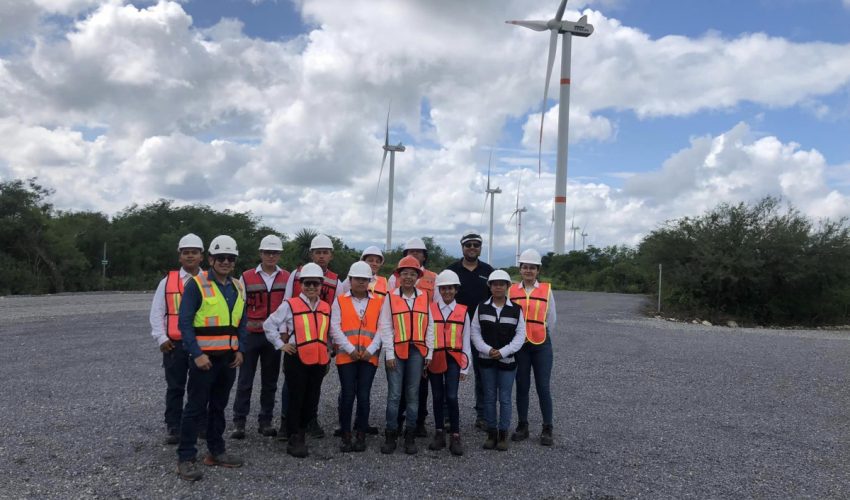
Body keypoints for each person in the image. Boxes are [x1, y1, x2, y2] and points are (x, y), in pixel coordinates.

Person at [175, 235, 247, 481]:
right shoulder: (196, 284)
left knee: (218, 407)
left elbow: (241, 321)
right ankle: (185, 457)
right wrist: (196, 354)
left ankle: (216, 452)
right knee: (194, 408)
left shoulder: (238, 286)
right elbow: (184, 322)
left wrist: (241, 349)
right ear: (211, 259)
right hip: (204, 360)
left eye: (230, 258)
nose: (226, 262)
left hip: (228, 359)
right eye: (221, 258)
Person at [263, 263, 332, 458]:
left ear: (321, 285)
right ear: (301, 284)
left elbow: (328, 333)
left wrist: (329, 351)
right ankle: (294, 437)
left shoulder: (326, 307)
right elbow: (269, 324)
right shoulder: (290, 305)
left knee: (312, 398)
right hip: (297, 358)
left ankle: (302, 431)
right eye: (307, 283)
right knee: (296, 398)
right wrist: (280, 345)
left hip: (318, 360)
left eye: (315, 284)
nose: (311, 287)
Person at [148, 233, 206, 445]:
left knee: (200, 386)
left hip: (201, 343)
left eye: (194, 252)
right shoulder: (167, 281)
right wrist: (160, 337)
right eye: (186, 253)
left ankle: (200, 423)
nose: (190, 256)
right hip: (175, 344)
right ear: (180, 256)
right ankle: (174, 426)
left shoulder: (209, 280)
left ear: (202, 256)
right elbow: (157, 311)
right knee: (175, 387)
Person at [230, 235, 289, 440]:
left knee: (270, 381)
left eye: (274, 253)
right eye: (267, 252)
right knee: (245, 380)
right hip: (251, 336)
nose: (271, 256)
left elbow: (288, 307)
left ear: (280, 254)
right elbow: (240, 307)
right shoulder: (245, 277)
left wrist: (284, 333)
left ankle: (265, 421)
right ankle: (239, 422)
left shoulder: (287, 277)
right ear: (260, 253)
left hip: (273, 338)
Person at [283, 233, 339, 439]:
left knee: (314, 385)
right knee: (292, 385)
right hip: (297, 342)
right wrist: (284, 340)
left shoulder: (336, 280)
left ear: (331, 255)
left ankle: (310, 421)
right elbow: (286, 304)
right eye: (318, 252)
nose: (321, 256)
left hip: (320, 343)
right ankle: (286, 423)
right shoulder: (295, 275)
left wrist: (332, 345)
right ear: (311, 254)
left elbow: (335, 314)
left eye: (325, 252)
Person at [379, 255, 434, 455]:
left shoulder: (424, 297)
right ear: (399, 276)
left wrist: (429, 351)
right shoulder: (390, 297)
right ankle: (391, 433)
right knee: (394, 395)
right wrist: (389, 354)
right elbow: (385, 326)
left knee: (413, 395)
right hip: (397, 351)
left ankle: (409, 435)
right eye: (405, 274)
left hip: (417, 351)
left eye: (412, 274)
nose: (409, 277)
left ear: (418, 276)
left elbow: (430, 326)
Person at [330, 261, 385, 452]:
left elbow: (382, 327)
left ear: (369, 281)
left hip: (369, 356)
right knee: (347, 395)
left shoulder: (379, 300)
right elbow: (334, 327)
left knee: (363, 396)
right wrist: (349, 348)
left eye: (365, 279)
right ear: (350, 280)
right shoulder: (340, 300)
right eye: (357, 279)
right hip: (347, 356)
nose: (361, 282)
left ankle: (361, 434)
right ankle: (346, 434)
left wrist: (371, 348)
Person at [470, 269, 526, 452]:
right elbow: (475, 332)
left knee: (505, 399)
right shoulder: (481, 307)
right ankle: (491, 433)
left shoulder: (516, 310)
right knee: (489, 398)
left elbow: (520, 336)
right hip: (486, 361)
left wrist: (503, 352)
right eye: (495, 284)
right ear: (490, 286)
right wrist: (487, 350)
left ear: (508, 286)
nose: (498, 287)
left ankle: (503, 434)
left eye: (502, 284)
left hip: (508, 362)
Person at [389, 237, 438, 437]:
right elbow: (388, 318)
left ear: (425, 256)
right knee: (396, 392)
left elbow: (431, 316)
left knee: (417, 390)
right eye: (410, 251)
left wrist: (430, 348)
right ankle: (395, 426)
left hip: (419, 345)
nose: (414, 254)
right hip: (399, 345)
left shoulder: (434, 278)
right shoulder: (393, 285)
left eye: (418, 251)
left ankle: (417, 423)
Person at [446, 232, 494, 430]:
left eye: (476, 245)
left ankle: (482, 414)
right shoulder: (451, 271)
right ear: (462, 247)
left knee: (483, 374)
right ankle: (448, 415)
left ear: (480, 248)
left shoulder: (488, 271)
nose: (472, 248)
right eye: (468, 245)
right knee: (449, 371)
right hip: (454, 329)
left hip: (482, 330)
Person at [509, 249, 557, 446]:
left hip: (541, 344)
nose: (528, 271)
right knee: (522, 386)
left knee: (543, 387)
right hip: (521, 346)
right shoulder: (511, 290)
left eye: (532, 268)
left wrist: (543, 334)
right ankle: (523, 425)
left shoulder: (546, 290)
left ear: (538, 270)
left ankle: (547, 427)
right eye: (525, 267)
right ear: (520, 269)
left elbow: (552, 318)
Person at [427, 270, 472, 456]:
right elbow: (427, 335)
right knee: (437, 396)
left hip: (454, 359)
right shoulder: (430, 309)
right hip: (435, 358)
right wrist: (425, 360)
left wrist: (466, 367)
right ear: (439, 289)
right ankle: (439, 432)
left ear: (456, 290)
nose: (447, 291)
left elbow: (466, 339)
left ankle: (455, 434)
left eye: (450, 288)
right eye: (443, 288)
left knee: (452, 396)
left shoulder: (463, 311)